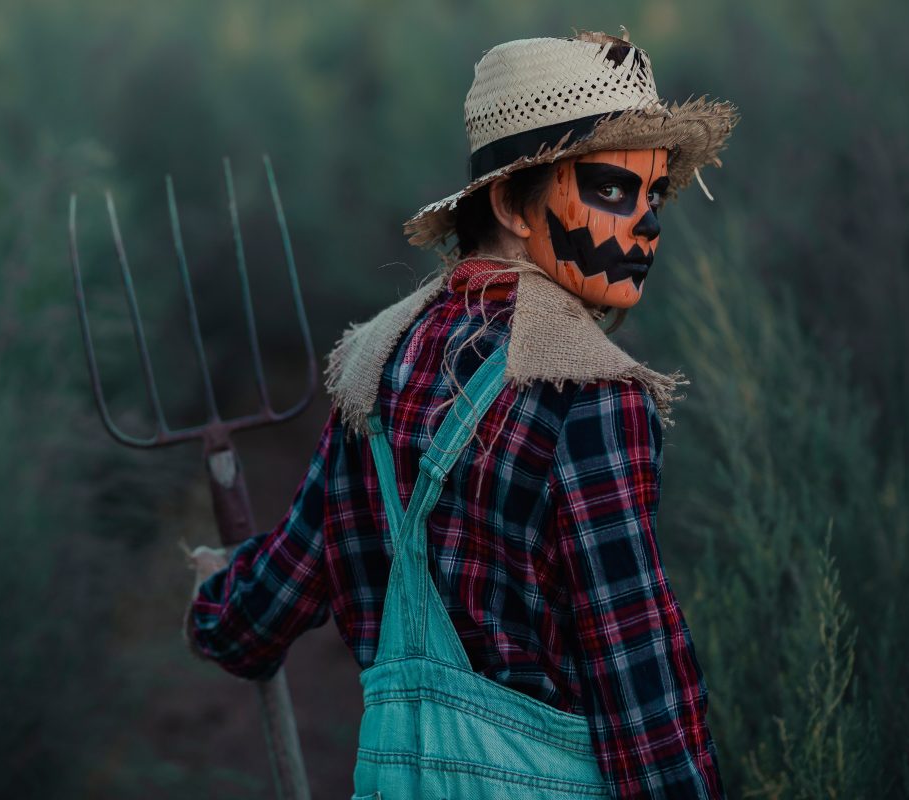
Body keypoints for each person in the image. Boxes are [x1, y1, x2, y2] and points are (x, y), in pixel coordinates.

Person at [187, 29, 736, 798]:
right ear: (513, 201)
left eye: (656, 195)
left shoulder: (376, 359)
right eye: (613, 189)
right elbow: (634, 666)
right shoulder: (590, 392)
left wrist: (216, 603)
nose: (646, 223)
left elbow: (293, 574)